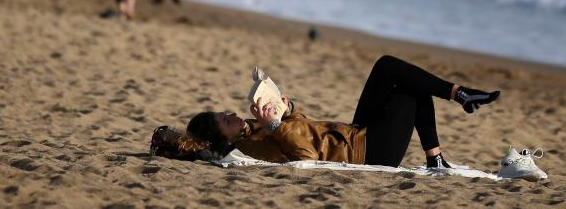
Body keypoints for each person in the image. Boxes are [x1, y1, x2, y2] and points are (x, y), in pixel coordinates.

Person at [186, 55, 500, 168]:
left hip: (353, 134)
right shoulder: (251, 144)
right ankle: (458, 102)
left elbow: (302, 125)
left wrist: (287, 108)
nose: (229, 114)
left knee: (388, 66)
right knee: (409, 90)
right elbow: (304, 157)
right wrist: (274, 126)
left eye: (223, 112)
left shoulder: (252, 127)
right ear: (222, 137)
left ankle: (458, 101)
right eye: (223, 120)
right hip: (367, 152)